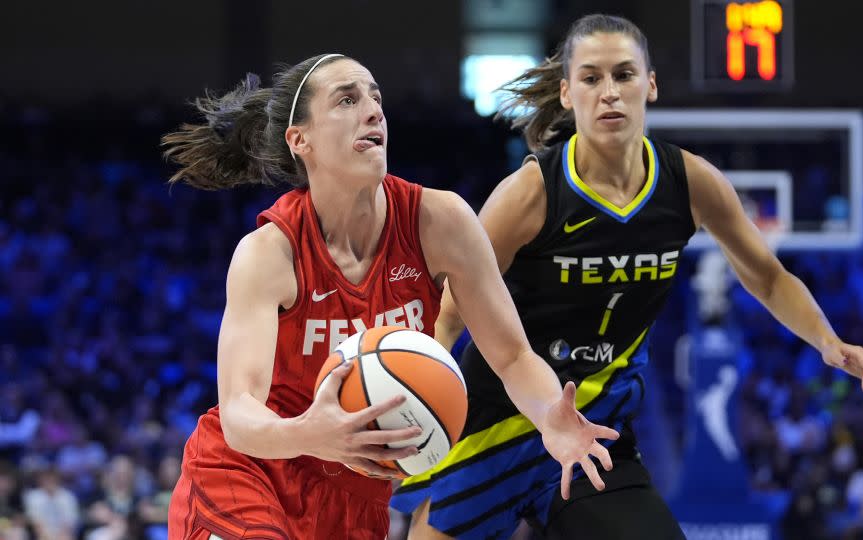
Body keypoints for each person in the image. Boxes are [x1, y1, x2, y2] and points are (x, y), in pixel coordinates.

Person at [395, 13, 863, 540]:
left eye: (623, 75)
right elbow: (452, 308)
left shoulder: (691, 183)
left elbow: (767, 278)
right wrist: (417, 396)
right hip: (494, 427)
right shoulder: (530, 193)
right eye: (591, 78)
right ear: (567, 94)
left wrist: (827, 340)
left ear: (650, 84)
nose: (608, 92)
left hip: (598, 433)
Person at [160, 53, 617, 539]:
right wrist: (311, 432)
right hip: (251, 472)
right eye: (347, 100)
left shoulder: (441, 222)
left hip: (356, 495)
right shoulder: (269, 253)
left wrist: (550, 416)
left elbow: (511, 355)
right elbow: (239, 416)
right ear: (301, 140)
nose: (374, 110)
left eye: (376, 97)